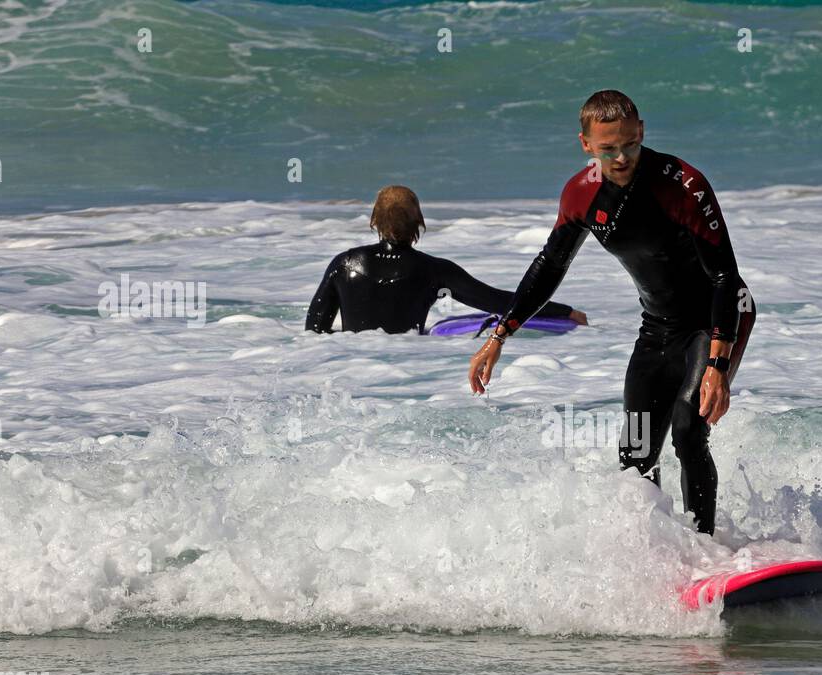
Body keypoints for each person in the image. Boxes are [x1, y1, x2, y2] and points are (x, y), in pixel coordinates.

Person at [467, 90, 755, 535]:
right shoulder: (581, 195)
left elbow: (725, 278)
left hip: (715, 319)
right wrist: (498, 337)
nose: (621, 157)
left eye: (629, 144)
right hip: (657, 328)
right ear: (586, 145)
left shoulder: (682, 184)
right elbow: (550, 266)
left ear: (641, 133)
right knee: (636, 451)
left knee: (687, 431)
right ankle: (656, 548)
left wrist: (718, 363)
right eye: (608, 149)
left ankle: (705, 545)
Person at [305, 185, 586, 334]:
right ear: (419, 220)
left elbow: (314, 330)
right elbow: (498, 302)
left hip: (353, 366)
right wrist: (563, 311)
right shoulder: (433, 271)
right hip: (408, 367)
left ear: (374, 220)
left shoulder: (344, 264)